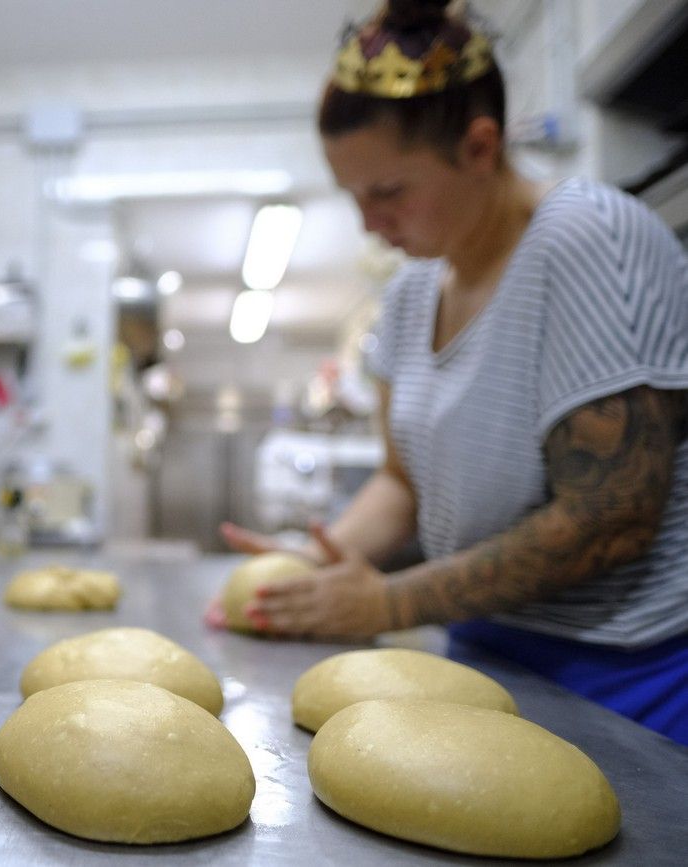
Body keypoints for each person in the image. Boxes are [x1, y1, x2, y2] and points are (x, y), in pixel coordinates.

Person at [212, 0, 688, 744]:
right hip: (481, 654)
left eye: (388, 192)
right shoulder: (408, 297)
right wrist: (313, 570)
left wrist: (387, 604)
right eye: (354, 198)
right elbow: (402, 484)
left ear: (479, 145)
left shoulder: (585, 238)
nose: (370, 224)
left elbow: (611, 517)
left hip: (628, 674)